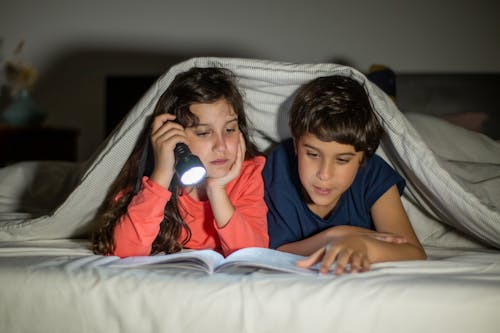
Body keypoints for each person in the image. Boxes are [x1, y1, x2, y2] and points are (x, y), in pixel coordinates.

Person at [92, 67, 268, 257]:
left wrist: (216, 190)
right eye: (203, 133)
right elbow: (123, 251)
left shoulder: (247, 173)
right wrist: (162, 174)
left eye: (230, 130)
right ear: (175, 137)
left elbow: (254, 254)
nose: (221, 146)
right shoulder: (153, 177)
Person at [263, 75, 426, 275]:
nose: (324, 174)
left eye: (342, 160)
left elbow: (413, 251)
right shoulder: (278, 168)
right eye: (313, 154)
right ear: (296, 145)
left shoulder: (373, 174)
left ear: (362, 157)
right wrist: (338, 235)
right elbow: (277, 251)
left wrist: (363, 246)